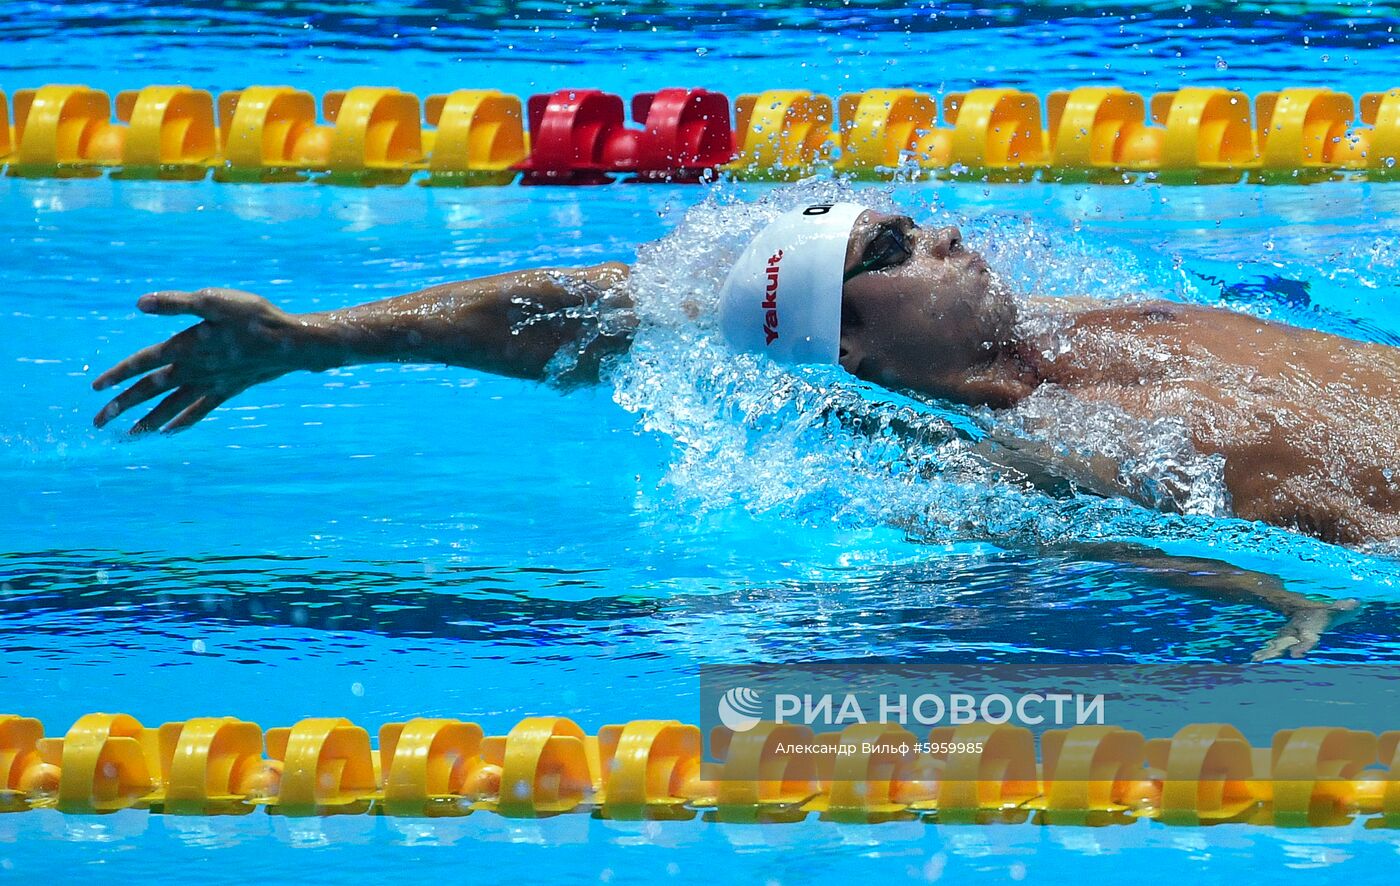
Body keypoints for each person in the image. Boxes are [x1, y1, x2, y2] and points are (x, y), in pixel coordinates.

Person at [91, 198, 1385, 658]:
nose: (942, 230)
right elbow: (1118, 543)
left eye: (913, 216)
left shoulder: (1076, 318)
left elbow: (625, 302)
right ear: (855, 343)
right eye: (894, 245)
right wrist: (1266, 600)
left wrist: (332, 336)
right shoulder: (1024, 441)